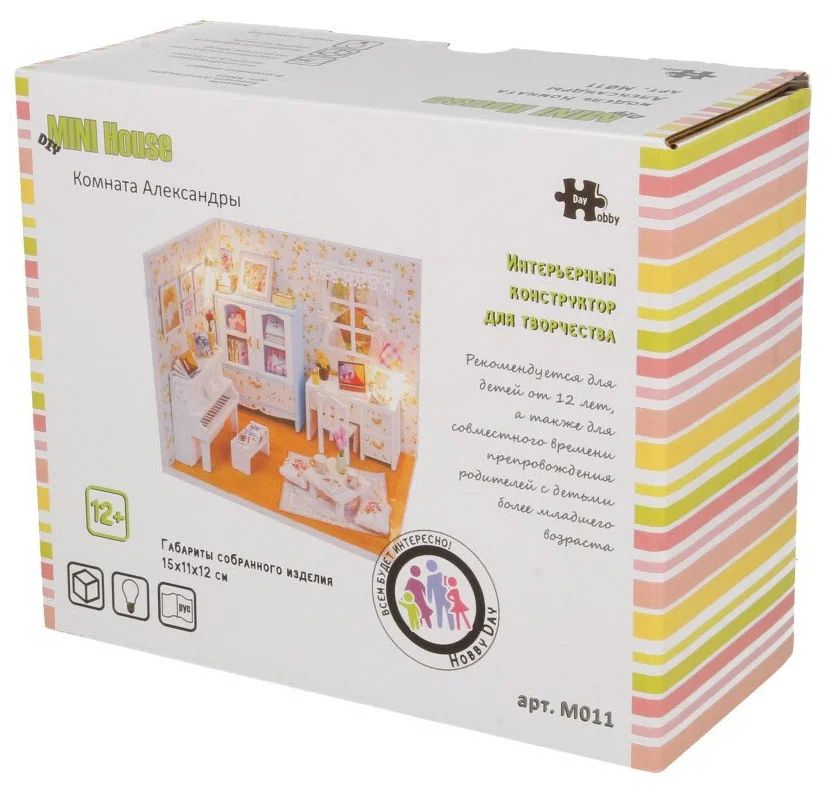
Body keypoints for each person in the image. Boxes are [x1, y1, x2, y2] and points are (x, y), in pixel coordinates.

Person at [425, 559, 452, 629]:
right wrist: (429, 599)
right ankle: (443, 626)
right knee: (443, 612)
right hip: (442, 598)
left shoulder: (432, 577)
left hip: (442, 598)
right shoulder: (438, 576)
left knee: (442, 612)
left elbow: (429, 589)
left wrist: (429, 599)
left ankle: (443, 626)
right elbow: (429, 589)